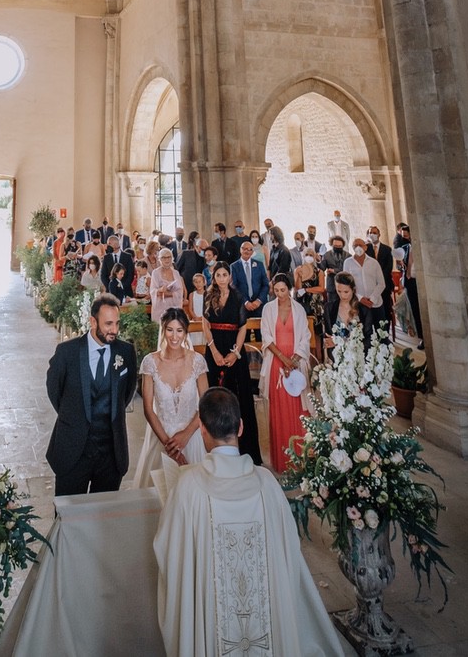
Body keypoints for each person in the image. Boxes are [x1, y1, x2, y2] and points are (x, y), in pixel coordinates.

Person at [154, 387, 346, 657]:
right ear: (241, 427)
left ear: (203, 431)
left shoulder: (188, 487)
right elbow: (289, 550)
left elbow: (168, 553)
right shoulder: (267, 483)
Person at [45, 292, 137, 494]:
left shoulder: (126, 352)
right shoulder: (66, 352)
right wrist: (73, 415)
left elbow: (127, 392)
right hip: (73, 451)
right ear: (93, 322)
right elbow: (54, 390)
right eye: (108, 324)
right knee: (68, 518)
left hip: (111, 454)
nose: (114, 330)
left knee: (103, 518)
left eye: (117, 324)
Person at [133, 307, 209, 486]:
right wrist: (170, 446)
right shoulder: (150, 362)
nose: (174, 336)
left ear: (185, 332)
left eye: (179, 330)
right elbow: (148, 409)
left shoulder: (197, 361)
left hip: (192, 436)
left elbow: (205, 405)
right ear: (163, 329)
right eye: (170, 330)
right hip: (161, 436)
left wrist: (185, 435)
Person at [202, 261, 261, 464]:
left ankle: (242, 449)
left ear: (230, 276)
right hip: (214, 348)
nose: (221, 278)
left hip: (234, 350)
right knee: (214, 394)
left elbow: (243, 327)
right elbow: (205, 324)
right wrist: (214, 351)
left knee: (238, 397)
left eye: (224, 274)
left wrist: (235, 353)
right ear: (214, 277)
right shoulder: (208, 296)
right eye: (217, 275)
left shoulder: (238, 296)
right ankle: (214, 447)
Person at [260, 274, 311, 473]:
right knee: (279, 409)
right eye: (276, 290)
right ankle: (282, 459)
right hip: (276, 363)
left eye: (283, 290)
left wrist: (295, 359)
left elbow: (305, 337)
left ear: (289, 289)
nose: (280, 294)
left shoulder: (299, 309)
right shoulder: (267, 309)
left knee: (298, 409)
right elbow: (266, 336)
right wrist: (283, 359)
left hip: (295, 364)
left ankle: (300, 456)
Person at [343, 237, 387, 336]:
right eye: (355, 246)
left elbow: (381, 283)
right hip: (358, 304)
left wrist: (372, 299)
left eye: (360, 245)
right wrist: (361, 298)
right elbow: (346, 285)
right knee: (364, 334)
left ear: (366, 247)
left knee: (382, 333)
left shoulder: (374, 262)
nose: (358, 248)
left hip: (375, 303)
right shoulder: (348, 263)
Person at [324, 271, 369, 355]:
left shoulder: (364, 310)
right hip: (337, 358)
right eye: (339, 291)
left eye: (346, 292)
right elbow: (328, 336)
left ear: (353, 289)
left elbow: (368, 340)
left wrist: (340, 343)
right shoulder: (329, 308)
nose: (342, 296)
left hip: (359, 358)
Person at [292, 250, 326, 356]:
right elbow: (297, 288)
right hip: (301, 302)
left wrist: (307, 290)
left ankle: (318, 357)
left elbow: (321, 288)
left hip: (315, 304)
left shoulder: (319, 272)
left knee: (316, 330)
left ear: (315, 257)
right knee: (302, 330)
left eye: (311, 255)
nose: (308, 257)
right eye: (306, 255)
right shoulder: (298, 269)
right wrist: (299, 276)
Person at [230, 238, 269, 319]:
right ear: (240, 250)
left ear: (252, 252)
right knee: (244, 331)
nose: (247, 251)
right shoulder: (234, 266)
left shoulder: (259, 265)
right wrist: (245, 302)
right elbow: (234, 286)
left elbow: (265, 285)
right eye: (244, 249)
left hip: (259, 305)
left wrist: (259, 300)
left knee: (259, 331)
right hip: (242, 305)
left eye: (250, 249)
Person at [366, 224, 395, 330]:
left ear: (379, 234)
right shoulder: (366, 249)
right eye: (370, 233)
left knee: (386, 310)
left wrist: (379, 278)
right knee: (372, 311)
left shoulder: (387, 249)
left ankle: (385, 333)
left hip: (385, 285)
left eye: (374, 233)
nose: (372, 234)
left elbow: (389, 267)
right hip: (370, 286)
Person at [149, 246, 185, 322]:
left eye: (169, 257)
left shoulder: (176, 273)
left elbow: (180, 292)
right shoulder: (155, 273)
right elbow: (153, 291)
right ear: (159, 259)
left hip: (174, 307)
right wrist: (160, 290)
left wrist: (168, 293)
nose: (167, 259)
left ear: (172, 258)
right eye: (163, 258)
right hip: (160, 309)